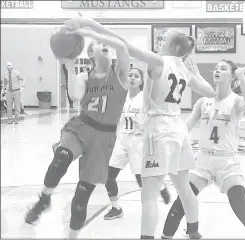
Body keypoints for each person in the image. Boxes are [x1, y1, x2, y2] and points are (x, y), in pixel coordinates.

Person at [65, 16, 215, 239]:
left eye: (164, 39)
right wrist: (197, 73)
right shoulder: (183, 67)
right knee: (184, 188)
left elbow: (122, 43)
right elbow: (211, 92)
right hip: (179, 129)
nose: (160, 41)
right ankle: (193, 232)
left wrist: (91, 25)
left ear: (173, 46)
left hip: (160, 129)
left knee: (149, 196)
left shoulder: (160, 61)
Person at [24, 25, 130, 239]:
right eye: (102, 46)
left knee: (81, 199)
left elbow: (122, 46)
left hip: (104, 137)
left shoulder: (120, 75)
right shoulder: (83, 76)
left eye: (107, 46)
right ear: (90, 53)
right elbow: (75, 96)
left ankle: (71, 236)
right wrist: (70, 67)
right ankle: (44, 200)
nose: (107, 47)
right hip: (82, 127)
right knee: (61, 159)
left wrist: (92, 32)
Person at [161, 60, 245, 239]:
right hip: (202, 161)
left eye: (223, 69)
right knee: (181, 204)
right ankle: (181, 234)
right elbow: (186, 128)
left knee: (242, 209)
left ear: (232, 77)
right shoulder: (203, 102)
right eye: (216, 68)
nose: (217, 70)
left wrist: (242, 76)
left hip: (227, 163)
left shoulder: (235, 101)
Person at [104, 67, 171, 221]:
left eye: (136, 76)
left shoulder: (144, 99)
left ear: (141, 81)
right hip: (122, 140)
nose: (132, 78)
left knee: (141, 180)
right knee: (108, 176)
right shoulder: (121, 97)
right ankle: (116, 208)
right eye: (130, 75)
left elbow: (154, 119)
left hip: (138, 140)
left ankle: (159, 187)